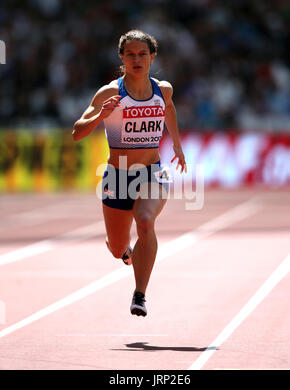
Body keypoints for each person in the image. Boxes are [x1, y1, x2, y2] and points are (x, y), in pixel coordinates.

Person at [72, 30, 186, 317]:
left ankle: (139, 295)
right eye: (131, 54)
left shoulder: (163, 90)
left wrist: (177, 145)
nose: (137, 59)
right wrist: (101, 115)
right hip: (117, 177)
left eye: (142, 54)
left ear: (152, 57)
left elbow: (169, 109)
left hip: (151, 172)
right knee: (117, 247)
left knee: (145, 222)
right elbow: (76, 132)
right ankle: (123, 251)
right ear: (122, 58)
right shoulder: (110, 92)